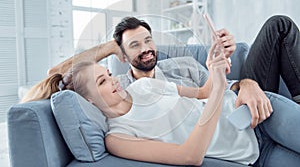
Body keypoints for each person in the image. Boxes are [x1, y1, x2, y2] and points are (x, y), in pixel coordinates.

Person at [22, 41, 300, 166]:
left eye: (108, 74)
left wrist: (213, 65)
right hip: (254, 154)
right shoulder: (117, 137)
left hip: (256, 112)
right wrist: (108, 46)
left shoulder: (143, 85)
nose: (115, 80)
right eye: (103, 82)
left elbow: (204, 93)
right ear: (89, 100)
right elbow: (190, 156)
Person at [42, 15, 300, 129]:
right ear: (122, 54)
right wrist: (110, 47)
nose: (146, 49)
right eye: (135, 45)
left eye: (148, 40)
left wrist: (242, 80)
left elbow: (220, 89)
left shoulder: (183, 65)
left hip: (239, 103)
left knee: (279, 25)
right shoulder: (118, 90)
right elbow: (56, 72)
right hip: (229, 125)